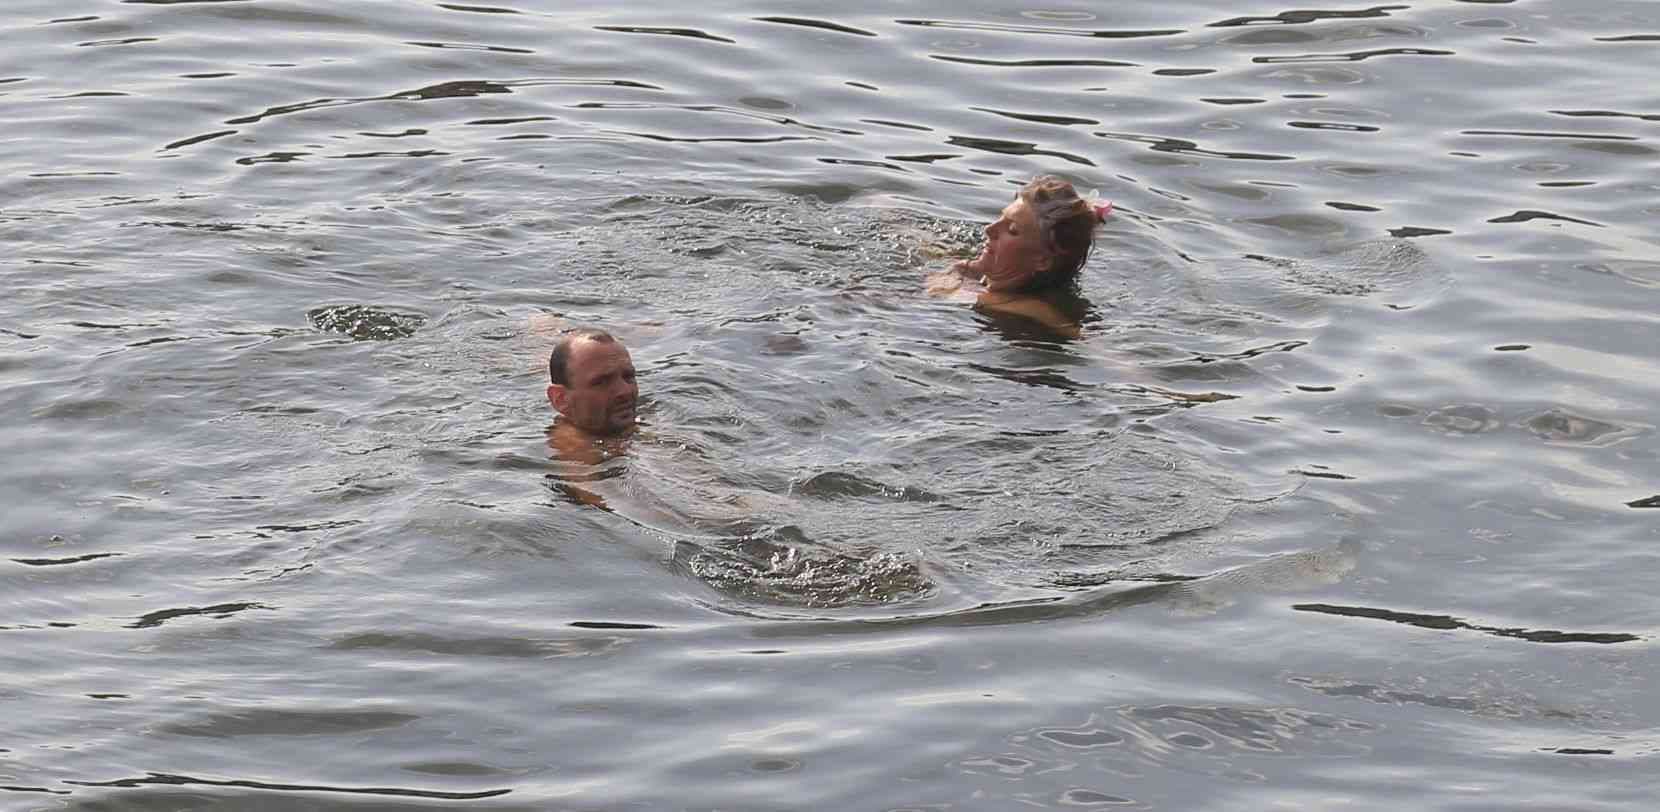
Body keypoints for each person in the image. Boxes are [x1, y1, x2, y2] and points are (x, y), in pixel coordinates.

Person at [926, 175, 1111, 337]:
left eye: (1012, 230)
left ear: (1043, 260)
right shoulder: (969, 272)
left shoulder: (1038, 311)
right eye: (1001, 218)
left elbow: (1089, 344)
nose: (989, 230)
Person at [545, 328, 640, 465]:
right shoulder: (575, 455)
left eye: (628, 376)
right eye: (602, 382)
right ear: (561, 399)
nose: (625, 391)